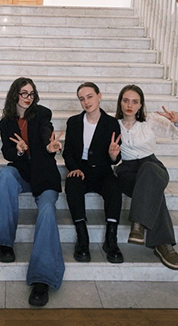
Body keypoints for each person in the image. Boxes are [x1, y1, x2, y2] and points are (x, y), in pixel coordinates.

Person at [0, 77, 64, 307]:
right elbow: (7, 152)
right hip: (23, 172)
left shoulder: (42, 113)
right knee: (5, 176)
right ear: (15, 94)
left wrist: (49, 146)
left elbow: (45, 131)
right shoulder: (6, 123)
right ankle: (5, 242)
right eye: (24, 93)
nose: (28, 97)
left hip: (44, 175)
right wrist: (19, 151)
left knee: (47, 212)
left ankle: (42, 278)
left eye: (31, 93)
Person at [114, 84, 178, 270]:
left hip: (153, 165)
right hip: (127, 170)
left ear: (141, 105)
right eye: (126, 100)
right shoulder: (112, 124)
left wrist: (177, 121)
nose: (130, 105)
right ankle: (163, 244)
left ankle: (138, 224)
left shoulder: (151, 121)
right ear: (120, 102)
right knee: (154, 190)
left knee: (149, 170)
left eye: (135, 102)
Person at [62, 82, 124, 264]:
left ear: (99, 96)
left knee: (114, 186)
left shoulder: (111, 123)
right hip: (81, 169)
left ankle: (111, 239)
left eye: (89, 97)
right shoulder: (73, 122)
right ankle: (82, 238)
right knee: (72, 184)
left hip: (103, 170)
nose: (86, 102)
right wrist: (74, 168)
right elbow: (68, 152)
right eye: (82, 99)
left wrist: (113, 155)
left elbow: (115, 159)